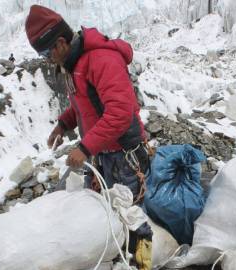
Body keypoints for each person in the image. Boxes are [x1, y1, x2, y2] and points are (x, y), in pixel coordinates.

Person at [25, 5, 149, 201]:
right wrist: (62, 125)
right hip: (102, 152)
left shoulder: (101, 60)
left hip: (123, 155)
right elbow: (83, 105)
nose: (47, 61)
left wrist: (85, 148)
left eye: (46, 54)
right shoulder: (74, 64)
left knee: (130, 217)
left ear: (60, 43)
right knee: (103, 212)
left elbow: (120, 113)